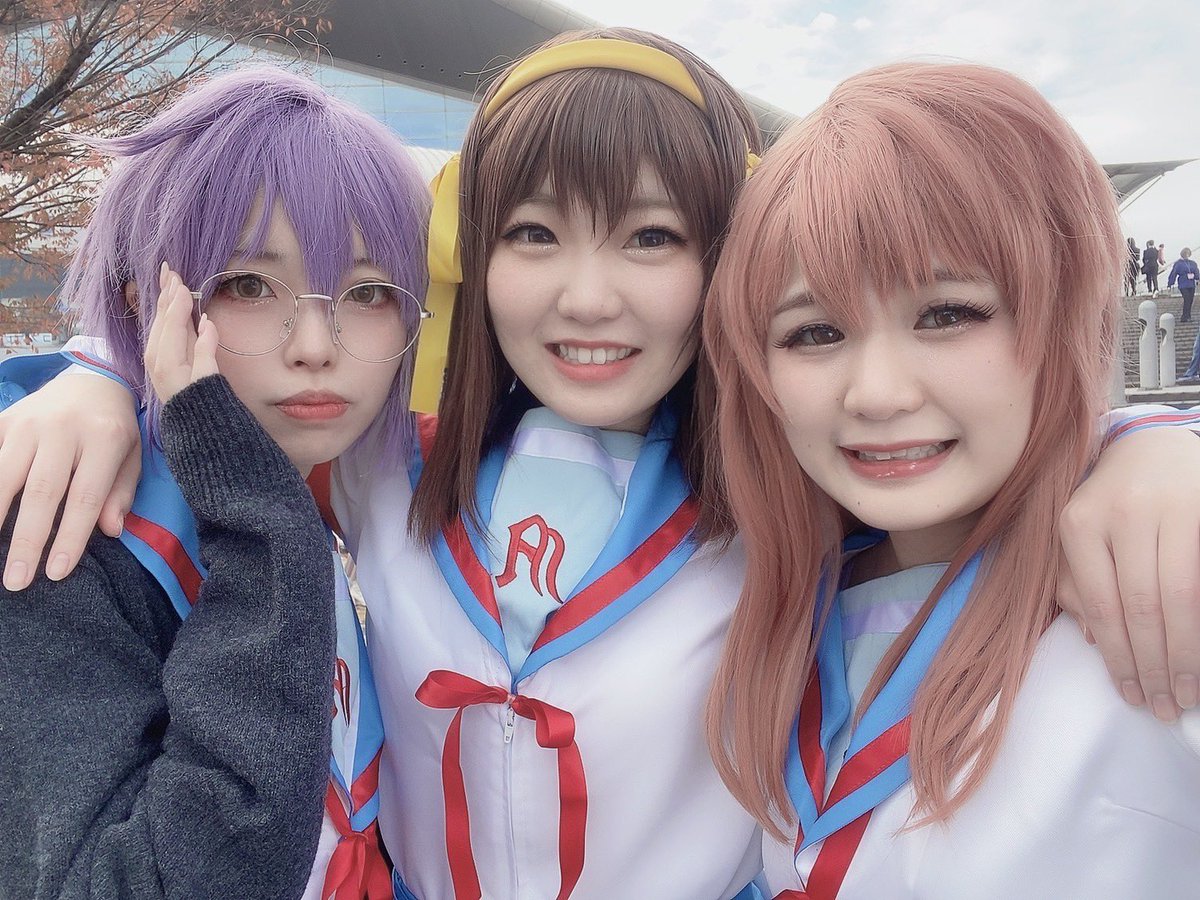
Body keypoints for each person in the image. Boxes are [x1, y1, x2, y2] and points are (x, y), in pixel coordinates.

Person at [4, 31, 1200, 899]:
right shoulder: (387, 463)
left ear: (727, 267)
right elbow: (245, 356)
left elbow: (958, 453)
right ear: (473, 259)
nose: (588, 296)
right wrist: (98, 376)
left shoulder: (786, 499)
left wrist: (1134, 446)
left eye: (652, 236)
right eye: (533, 233)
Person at [704, 62, 1200, 898]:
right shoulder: (772, 608)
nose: (877, 394)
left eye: (946, 314)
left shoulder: (1153, 598)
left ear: (1070, 310)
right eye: (814, 332)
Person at [0, 68, 429, 898]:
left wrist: (100, 370)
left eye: (370, 291)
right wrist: (259, 520)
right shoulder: (65, 523)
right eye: (247, 286)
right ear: (143, 303)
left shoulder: (340, 479)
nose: (315, 345)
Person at [1169, 246, 1198, 323]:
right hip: (1183, 284)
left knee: (1190, 300)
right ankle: (1184, 317)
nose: (1187, 255)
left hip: (1191, 284)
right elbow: (1174, 273)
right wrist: (1170, 283)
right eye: (1186, 253)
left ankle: (1188, 316)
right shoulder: (1178, 263)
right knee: (1187, 299)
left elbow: (1196, 272)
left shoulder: (1192, 263)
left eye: (1188, 253)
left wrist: (1197, 277)